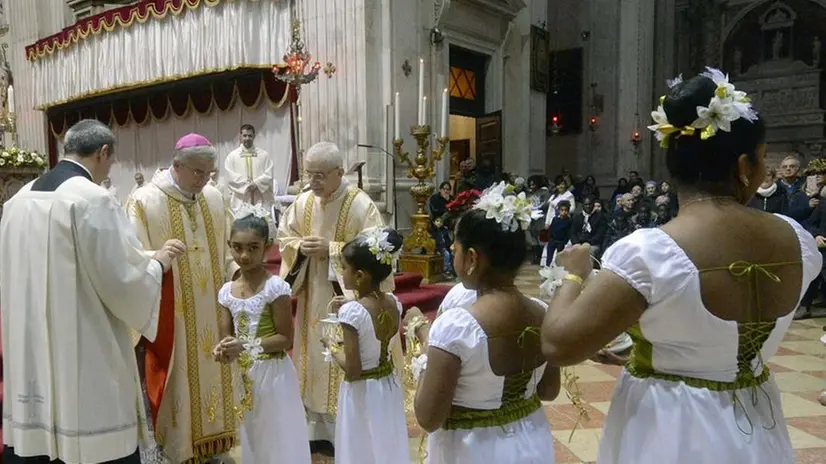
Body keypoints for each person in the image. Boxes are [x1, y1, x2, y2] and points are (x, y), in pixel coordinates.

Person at [541, 69, 821, 463]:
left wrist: (573, 272)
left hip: (669, 424)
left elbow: (558, 343)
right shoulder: (798, 241)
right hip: (756, 415)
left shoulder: (649, 253)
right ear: (744, 166)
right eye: (762, 159)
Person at [0, 119, 185, 463]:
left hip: (29, 344)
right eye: (111, 162)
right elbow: (121, 279)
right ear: (103, 153)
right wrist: (157, 264)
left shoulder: (18, 200)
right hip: (80, 344)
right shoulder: (93, 200)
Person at [405, 182, 560, 463]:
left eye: (457, 249)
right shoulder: (543, 312)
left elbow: (428, 418)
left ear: (473, 258)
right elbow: (549, 391)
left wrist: (424, 354)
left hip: (473, 450)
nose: (454, 254)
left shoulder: (457, 326)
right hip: (532, 439)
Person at [276, 141, 401, 450]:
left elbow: (376, 253)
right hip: (312, 295)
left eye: (320, 175)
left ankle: (342, 429)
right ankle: (316, 427)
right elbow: (284, 237)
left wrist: (331, 251)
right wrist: (299, 249)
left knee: (342, 357)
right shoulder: (303, 202)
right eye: (309, 174)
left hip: (347, 298)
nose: (312, 182)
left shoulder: (361, 205)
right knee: (313, 359)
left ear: (339, 172)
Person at [126, 133, 240, 464]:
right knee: (177, 383)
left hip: (213, 312)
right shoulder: (144, 202)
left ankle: (214, 445)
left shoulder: (214, 198)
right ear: (176, 166)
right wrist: (156, 256)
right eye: (197, 173)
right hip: (172, 317)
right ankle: (176, 449)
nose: (204, 181)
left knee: (214, 375)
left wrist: (237, 275)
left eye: (209, 173)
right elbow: (130, 259)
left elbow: (226, 250)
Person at [214, 204, 311, 464]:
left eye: (253, 248)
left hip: (273, 373)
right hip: (244, 375)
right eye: (237, 247)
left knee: (276, 436)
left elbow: (285, 339)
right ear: (229, 245)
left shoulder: (275, 288)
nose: (244, 255)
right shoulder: (226, 291)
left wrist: (243, 346)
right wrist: (222, 350)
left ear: (267, 246)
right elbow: (226, 340)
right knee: (253, 435)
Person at [320, 228, 410, 464]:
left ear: (359, 275)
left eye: (344, 268)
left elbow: (353, 370)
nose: (342, 273)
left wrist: (332, 346)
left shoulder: (352, 312)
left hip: (361, 390)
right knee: (383, 442)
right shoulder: (394, 302)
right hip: (386, 385)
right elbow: (372, 315)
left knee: (360, 445)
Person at [225, 124, 275, 213]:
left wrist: (256, 183)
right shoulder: (232, 156)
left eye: (250, 136)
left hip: (260, 198)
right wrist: (246, 185)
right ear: (240, 136)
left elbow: (269, 174)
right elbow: (230, 176)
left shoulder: (263, 155)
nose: (247, 138)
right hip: (241, 199)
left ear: (254, 136)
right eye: (244, 136)